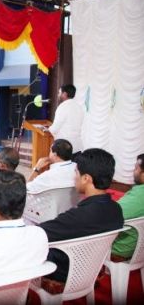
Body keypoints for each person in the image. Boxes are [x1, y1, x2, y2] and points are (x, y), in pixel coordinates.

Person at [38, 148, 123, 291]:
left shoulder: (77, 217)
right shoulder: (116, 209)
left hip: (63, 272)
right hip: (91, 268)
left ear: (86, 178)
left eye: (76, 172)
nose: (74, 177)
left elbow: (37, 234)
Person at [111, 153, 144, 260]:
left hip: (122, 249)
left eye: (136, 168)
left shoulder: (139, 195)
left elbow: (110, 216)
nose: (133, 172)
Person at [47, 84, 84, 155]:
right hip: (77, 146)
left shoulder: (63, 107)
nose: (58, 95)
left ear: (64, 94)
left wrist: (48, 129)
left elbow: (55, 128)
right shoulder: (79, 107)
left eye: (59, 93)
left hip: (65, 148)